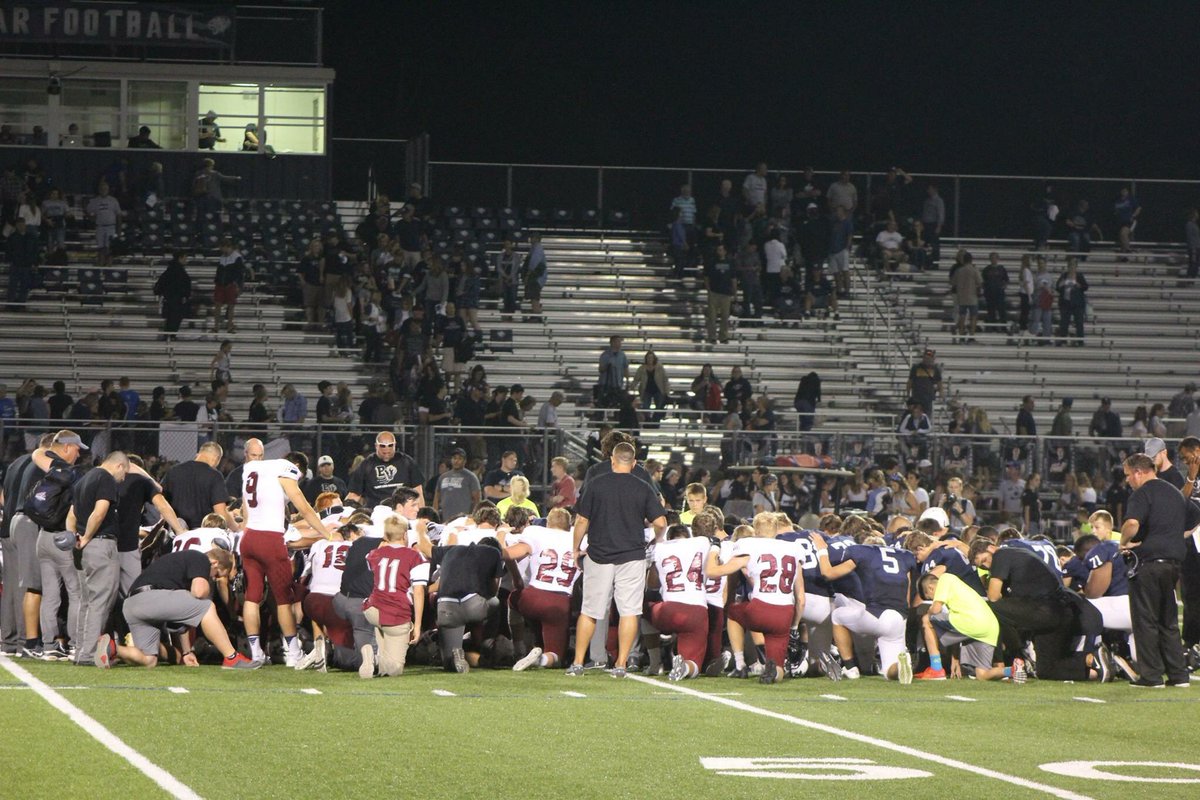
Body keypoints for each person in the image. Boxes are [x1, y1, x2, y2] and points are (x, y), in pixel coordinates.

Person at [568, 442, 667, 677]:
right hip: (632, 556)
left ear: (612, 460)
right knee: (629, 611)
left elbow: (581, 520)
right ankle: (621, 664)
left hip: (599, 554)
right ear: (634, 464)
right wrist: (655, 540)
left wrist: (575, 548)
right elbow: (661, 522)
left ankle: (578, 662)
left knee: (590, 611)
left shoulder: (596, 484)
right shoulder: (643, 486)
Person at [240, 452, 330, 667]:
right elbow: (303, 506)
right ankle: (293, 653)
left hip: (248, 537)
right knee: (283, 599)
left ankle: (256, 653)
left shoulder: (251, 468)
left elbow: (245, 509)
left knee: (252, 596)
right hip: (270, 539)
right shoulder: (283, 468)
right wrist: (327, 534)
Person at [97, 548, 257, 669]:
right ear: (214, 563)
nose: (214, 579)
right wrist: (206, 589)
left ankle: (113, 648)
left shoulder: (179, 566)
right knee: (207, 606)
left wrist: (187, 652)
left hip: (132, 604)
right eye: (217, 575)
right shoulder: (201, 558)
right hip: (150, 598)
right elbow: (199, 591)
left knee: (149, 660)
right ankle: (232, 657)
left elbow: (179, 624)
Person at [1120, 453, 1200, 687]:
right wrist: (1173, 537)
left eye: (1128, 475)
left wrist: (1123, 542)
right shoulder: (1175, 493)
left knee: (1145, 620)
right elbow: (1195, 517)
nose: (1127, 480)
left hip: (1148, 564)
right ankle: (1178, 674)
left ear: (1138, 472)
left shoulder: (1142, 493)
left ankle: (1151, 675)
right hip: (1173, 565)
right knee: (1169, 621)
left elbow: (1132, 523)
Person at [63, 451, 129, 666]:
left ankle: (80, 651)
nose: (123, 478)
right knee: (100, 601)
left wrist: (75, 537)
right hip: (100, 545)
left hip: (83, 549)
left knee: (86, 602)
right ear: (119, 466)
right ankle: (88, 654)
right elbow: (100, 512)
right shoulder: (106, 478)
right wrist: (87, 537)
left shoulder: (84, 480)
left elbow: (71, 515)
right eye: (124, 473)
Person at [506, 508, 580, 671]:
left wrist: (516, 578)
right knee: (555, 656)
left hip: (532, 597)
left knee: (513, 598)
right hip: (560, 604)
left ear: (547, 523)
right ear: (569, 525)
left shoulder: (536, 533)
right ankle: (540, 659)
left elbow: (508, 555)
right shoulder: (580, 539)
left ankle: (518, 647)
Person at [361, 516, 429, 678]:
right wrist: (417, 625)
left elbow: (372, 563)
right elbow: (418, 592)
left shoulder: (375, 554)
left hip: (373, 610)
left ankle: (375, 659)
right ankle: (375, 660)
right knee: (394, 669)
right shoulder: (415, 557)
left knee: (386, 661)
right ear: (405, 534)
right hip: (395, 615)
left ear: (385, 535)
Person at [426, 535, 505, 673]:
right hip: (472, 605)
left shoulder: (453, 551)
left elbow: (426, 550)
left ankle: (458, 654)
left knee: (449, 664)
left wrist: (420, 530)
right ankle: (486, 648)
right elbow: (494, 591)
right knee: (496, 603)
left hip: (446, 607)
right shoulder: (493, 553)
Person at [161, 442, 240, 530]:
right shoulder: (214, 476)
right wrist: (237, 528)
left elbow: (161, 502)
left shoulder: (174, 471)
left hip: (174, 531)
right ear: (217, 458)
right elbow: (220, 512)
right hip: (201, 532)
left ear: (198, 454)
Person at [346, 431, 426, 507]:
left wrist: (421, 513)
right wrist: (344, 512)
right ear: (376, 446)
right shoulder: (366, 465)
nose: (387, 449)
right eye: (382, 446)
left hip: (402, 512)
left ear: (395, 445)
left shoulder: (407, 462)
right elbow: (354, 495)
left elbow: (418, 493)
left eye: (390, 445)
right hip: (376, 512)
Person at [433, 448, 481, 521]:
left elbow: (477, 499)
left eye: (460, 459)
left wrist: (473, 516)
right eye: (454, 458)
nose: (456, 461)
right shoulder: (443, 477)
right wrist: (435, 515)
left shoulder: (470, 477)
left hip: (464, 519)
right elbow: (436, 498)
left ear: (465, 461)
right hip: (445, 518)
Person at [704, 244, 736, 345]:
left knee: (725, 316)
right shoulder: (712, 262)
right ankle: (712, 336)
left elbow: (733, 278)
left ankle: (723, 336)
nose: (719, 251)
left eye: (721, 250)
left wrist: (734, 292)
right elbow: (706, 277)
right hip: (714, 292)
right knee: (712, 317)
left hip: (726, 293)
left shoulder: (730, 263)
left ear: (725, 252)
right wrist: (709, 290)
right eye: (718, 250)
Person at [153, 252, 192, 336]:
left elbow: (160, 284)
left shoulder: (170, 270)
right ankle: (170, 336)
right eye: (185, 258)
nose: (186, 260)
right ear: (180, 258)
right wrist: (185, 295)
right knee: (174, 321)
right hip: (176, 300)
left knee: (170, 321)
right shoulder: (179, 271)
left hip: (169, 299)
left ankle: (168, 337)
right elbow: (185, 285)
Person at [85, 181, 121, 268]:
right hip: (100, 227)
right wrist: (92, 218)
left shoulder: (113, 200)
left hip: (111, 226)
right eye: (102, 189)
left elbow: (118, 215)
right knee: (100, 247)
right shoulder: (94, 201)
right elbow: (88, 211)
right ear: (99, 190)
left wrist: (119, 230)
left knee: (109, 247)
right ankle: (100, 264)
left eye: (105, 189)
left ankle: (109, 265)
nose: (103, 190)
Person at [212, 240, 245, 334]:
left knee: (231, 306)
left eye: (222, 248)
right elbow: (219, 270)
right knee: (217, 305)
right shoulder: (222, 257)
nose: (221, 250)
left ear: (226, 247)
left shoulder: (237, 257)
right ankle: (216, 327)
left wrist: (236, 284)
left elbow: (240, 273)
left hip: (231, 285)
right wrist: (217, 281)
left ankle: (230, 326)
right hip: (220, 284)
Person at [1056, 257, 1089, 345]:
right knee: (1064, 323)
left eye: (1073, 265)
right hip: (1065, 303)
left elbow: (1085, 287)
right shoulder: (1064, 275)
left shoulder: (1079, 276)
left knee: (1079, 323)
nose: (1071, 267)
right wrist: (1061, 284)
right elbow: (1057, 287)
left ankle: (1080, 341)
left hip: (1077, 304)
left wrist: (1079, 285)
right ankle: (1063, 340)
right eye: (1070, 265)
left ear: (1076, 267)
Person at [906, 349, 942, 417]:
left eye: (929, 358)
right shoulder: (916, 367)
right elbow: (910, 381)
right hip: (917, 396)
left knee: (926, 415)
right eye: (926, 357)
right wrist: (908, 393)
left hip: (928, 397)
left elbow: (939, 382)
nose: (927, 359)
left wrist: (941, 393)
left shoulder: (935, 369)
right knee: (916, 414)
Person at [597, 335, 628, 404]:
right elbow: (601, 369)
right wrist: (607, 365)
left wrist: (627, 381)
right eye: (618, 341)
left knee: (617, 403)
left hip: (618, 384)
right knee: (604, 403)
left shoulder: (622, 355)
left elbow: (625, 368)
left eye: (620, 342)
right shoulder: (605, 355)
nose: (619, 344)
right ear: (612, 343)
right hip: (606, 384)